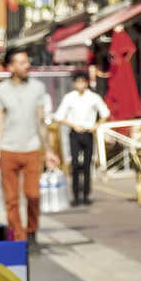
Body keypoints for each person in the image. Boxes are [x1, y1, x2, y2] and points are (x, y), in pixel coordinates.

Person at [0, 48, 57, 243]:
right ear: (10, 67)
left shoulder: (37, 87)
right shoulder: (1, 90)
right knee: (11, 199)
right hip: (8, 149)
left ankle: (32, 231)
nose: (27, 65)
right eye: (21, 62)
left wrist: (49, 151)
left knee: (33, 195)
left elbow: (41, 121)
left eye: (27, 61)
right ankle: (17, 237)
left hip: (32, 149)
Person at [54, 70, 109, 208]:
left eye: (83, 82)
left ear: (87, 83)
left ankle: (85, 194)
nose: (80, 85)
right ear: (74, 84)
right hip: (74, 133)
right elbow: (59, 116)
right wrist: (73, 125)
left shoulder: (93, 97)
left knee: (87, 165)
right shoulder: (69, 97)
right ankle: (76, 195)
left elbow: (105, 112)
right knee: (75, 164)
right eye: (78, 82)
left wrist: (96, 126)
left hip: (88, 133)